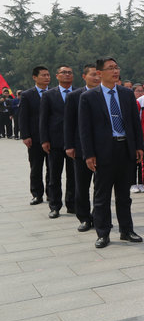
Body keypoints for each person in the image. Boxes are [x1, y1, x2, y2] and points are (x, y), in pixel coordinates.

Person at [79, 57, 144, 248]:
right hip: (103, 151)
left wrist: (138, 146)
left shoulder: (126, 94)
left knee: (124, 195)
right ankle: (103, 233)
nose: (115, 71)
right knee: (102, 195)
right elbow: (85, 129)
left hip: (125, 148)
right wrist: (89, 154)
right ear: (99, 73)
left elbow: (135, 123)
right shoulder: (89, 97)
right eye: (110, 68)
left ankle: (126, 230)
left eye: (116, 67)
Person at [64, 64, 100, 232]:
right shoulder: (74, 96)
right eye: (93, 74)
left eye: (98, 74)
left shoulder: (105, 94)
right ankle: (84, 217)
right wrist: (69, 145)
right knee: (82, 185)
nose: (97, 78)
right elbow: (69, 123)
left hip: (102, 147)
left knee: (101, 186)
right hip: (81, 148)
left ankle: (99, 216)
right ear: (84, 76)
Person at [39, 64, 76, 218]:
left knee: (73, 176)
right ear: (57, 76)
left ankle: (72, 204)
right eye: (63, 72)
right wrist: (44, 139)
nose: (67, 75)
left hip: (74, 141)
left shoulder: (79, 93)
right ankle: (54, 206)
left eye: (69, 72)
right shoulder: (48, 95)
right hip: (55, 141)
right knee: (54, 176)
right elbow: (43, 119)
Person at [19, 66, 51, 205]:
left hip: (52, 137)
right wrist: (25, 136)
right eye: (43, 75)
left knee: (52, 169)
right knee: (36, 167)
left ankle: (51, 193)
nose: (47, 77)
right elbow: (23, 117)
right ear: (34, 77)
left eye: (48, 75)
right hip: (35, 138)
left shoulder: (54, 92)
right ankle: (37, 194)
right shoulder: (27, 95)